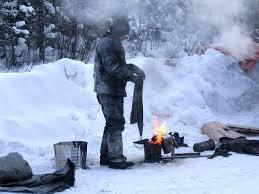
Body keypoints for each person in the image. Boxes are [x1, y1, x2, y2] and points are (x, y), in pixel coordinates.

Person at [93, 15, 145, 169]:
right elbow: (112, 68)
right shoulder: (107, 43)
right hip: (108, 89)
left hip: (110, 88)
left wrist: (133, 68)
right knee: (116, 123)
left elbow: (117, 64)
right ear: (118, 31)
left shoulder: (111, 42)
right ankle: (115, 158)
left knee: (111, 123)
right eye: (124, 33)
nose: (126, 37)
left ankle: (106, 156)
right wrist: (131, 77)